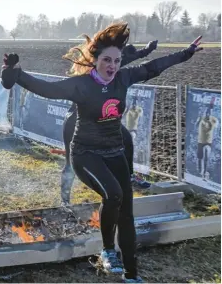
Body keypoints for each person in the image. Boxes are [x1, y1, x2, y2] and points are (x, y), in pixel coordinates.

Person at [0, 22, 203, 283]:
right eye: (107, 60)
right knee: (114, 194)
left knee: (127, 214)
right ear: (95, 60)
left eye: (117, 61)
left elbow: (154, 67)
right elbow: (47, 89)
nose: (113, 66)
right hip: (85, 155)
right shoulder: (81, 85)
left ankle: (132, 275)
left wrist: (186, 53)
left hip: (114, 152)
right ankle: (107, 250)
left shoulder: (123, 78)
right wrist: (17, 72)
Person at [61, 42, 157, 204]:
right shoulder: (95, 68)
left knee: (125, 137)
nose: (113, 65)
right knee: (70, 164)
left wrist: (147, 51)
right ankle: (65, 200)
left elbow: (131, 59)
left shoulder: (113, 66)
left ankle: (130, 175)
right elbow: (128, 58)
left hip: (101, 121)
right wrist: (145, 51)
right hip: (75, 120)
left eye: (118, 60)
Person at [195, 102, 219, 180]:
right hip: (200, 141)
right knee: (199, 157)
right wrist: (198, 121)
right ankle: (199, 171)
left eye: (209, 112)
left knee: (206, 157)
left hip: (208, 142)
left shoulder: (214, 119)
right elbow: (195, 126)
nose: (208, 113)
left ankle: (205, 173)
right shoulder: (201, 118)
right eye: (207, 112)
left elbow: (217, 126)